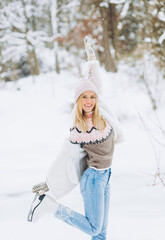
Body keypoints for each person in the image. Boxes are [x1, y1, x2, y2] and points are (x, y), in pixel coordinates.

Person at [27, 36, 125, 240]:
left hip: (106, 176)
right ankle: (51, 207)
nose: (88, 101)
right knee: (94, 229)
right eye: (84, 98)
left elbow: (95, 81)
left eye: (91, 96)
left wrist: (91, 58)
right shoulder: (78, 127)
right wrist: (49, 183)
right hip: (93, 180)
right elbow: (66, 155)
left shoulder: (102, 113)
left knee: (101, 233)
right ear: (77, 101)